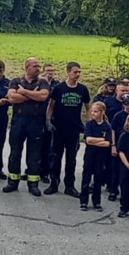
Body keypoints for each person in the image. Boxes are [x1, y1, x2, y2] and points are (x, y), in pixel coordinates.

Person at [4, 57, 51, 197]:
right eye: (35, 66)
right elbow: (12, 98)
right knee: (15, 152)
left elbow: (43, 96)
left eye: (38, 66)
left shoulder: (43, 82)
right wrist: (32, 95)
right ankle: (12, 182)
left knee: (34, 154)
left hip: (36, 122)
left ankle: (33, 184)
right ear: (27, 67)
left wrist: (24, 92)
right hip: (19, 121)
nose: (38, 68)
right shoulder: (16, 81)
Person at [45, 62, 91, 197]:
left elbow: (88, 108)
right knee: (56, 157)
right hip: (59, 128)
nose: (77, 75)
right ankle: (54, 183)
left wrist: (89, 125)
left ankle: (69, 186)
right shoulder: (59, 88)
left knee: (71, 159)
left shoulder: (83, 89)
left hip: (74, 129)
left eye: (79, 72)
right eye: (75, 72)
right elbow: (51, 106)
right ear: (68, 72)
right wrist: (48, 120)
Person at [80, 101, 112, 212]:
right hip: (90, 155)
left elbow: (108, 143)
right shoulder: (89, 124)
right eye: (92, 111)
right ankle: (83, 201)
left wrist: (98, 141)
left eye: (96, 111)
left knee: (98, 180)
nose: (93, 113)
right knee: (86, 178)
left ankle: (96, 202)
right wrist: (101, 140)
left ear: (102, 112)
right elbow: (88, 140)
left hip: (101, 156)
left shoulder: (107, 126)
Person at [109, 95, 129, 201]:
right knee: (115, 170)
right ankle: (113, 190)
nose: (128, 105)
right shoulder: (118, 115)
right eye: (126, 103)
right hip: (119, 144)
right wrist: (113, 145)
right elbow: (112, 130)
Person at [39, 63, 58, 183]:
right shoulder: (39, 83)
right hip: (38, 117)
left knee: (49, 147)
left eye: (52, 70)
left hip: (52, 118)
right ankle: (34, 170)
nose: (50, 73)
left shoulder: (57, 85)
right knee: (37, 146)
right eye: (47, 71)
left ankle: (47, 171)